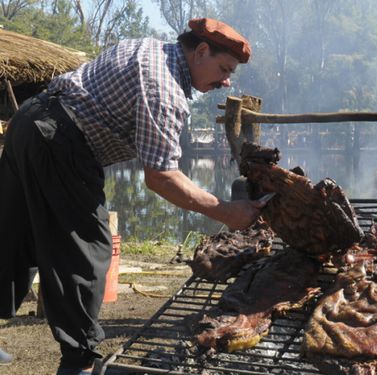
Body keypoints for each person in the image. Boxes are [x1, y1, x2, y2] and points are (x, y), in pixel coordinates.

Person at [0, 18, 264, 375]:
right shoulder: (164, 88)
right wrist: (227, 212)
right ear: (201, 51)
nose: (226, 81)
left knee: (14, 237)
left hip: (28, 122)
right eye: (223, 69)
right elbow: (161, 178)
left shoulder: (149, 47)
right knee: (86, 249)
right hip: (62, 142)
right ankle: (78, 363)